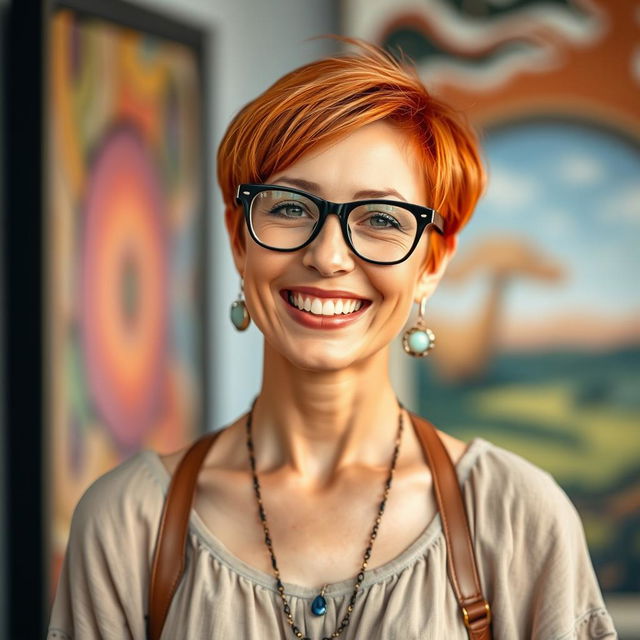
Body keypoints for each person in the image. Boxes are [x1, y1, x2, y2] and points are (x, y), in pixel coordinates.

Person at [48, 39, 616, 640]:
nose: (327, 256)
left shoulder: (519, 518)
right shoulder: (128, 521)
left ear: (432, 262)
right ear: (239, 241)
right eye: (291, 207)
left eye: (380, 219)